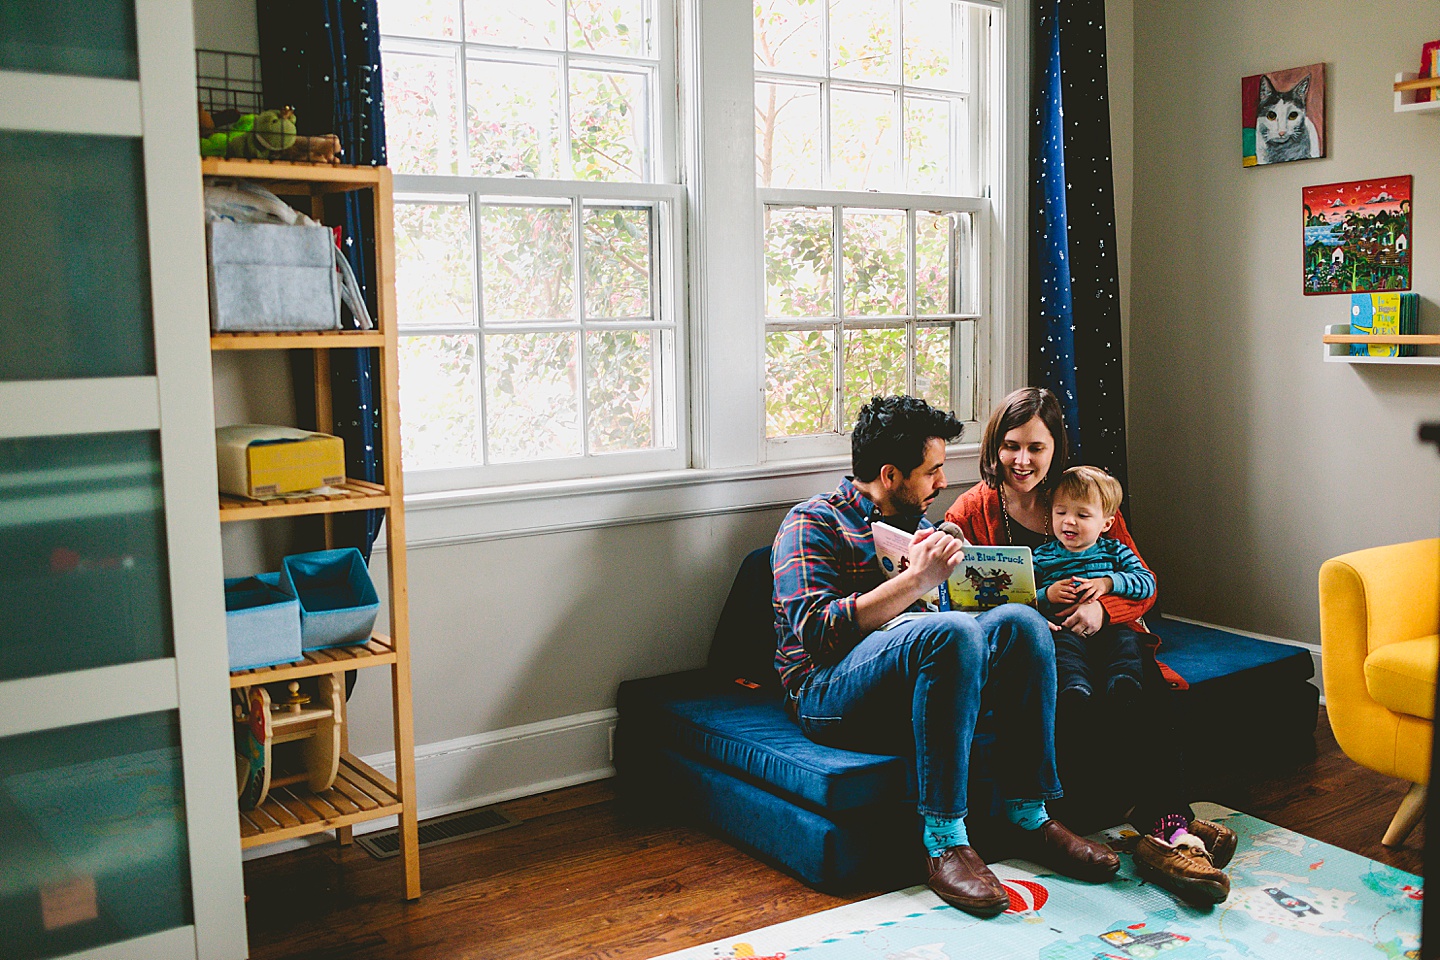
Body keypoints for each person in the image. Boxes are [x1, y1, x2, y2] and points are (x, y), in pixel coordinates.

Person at [772, 395, 1119, 918]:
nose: (941, 483)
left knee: (1020, 622)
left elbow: (964, 621)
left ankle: (1028, 814)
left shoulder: (921, 526)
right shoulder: (812, 523)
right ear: (891, 474)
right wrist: (917, 581)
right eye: (933, 471)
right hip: (826, 693)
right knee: (950, 633)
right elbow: (818, 634)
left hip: (914, 680)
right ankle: (944, 840)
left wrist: (963, 579)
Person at [945, 386, 1237, 905]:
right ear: (995, 447)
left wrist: (1102, 609)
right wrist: (1035, 612)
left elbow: (1137, 577)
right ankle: (1164, 828)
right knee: (1075, 691)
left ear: (1056, 446)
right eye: (1012, 445)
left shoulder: (1086, 495)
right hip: (1037, 651)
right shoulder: (975, 509)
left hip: (1109, 636)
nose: (1022, 459)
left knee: (1142, 683)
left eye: (1036, 447)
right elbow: (962, 597)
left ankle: (1167, 829)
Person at [1035, 465, 1155, 712]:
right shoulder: (1041, 557)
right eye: (1061, 512)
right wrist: (1046, 595)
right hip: (1065, 628)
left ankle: (1123, 683)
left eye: (1083, 515)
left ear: (1106, 523)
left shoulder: (1115, 551)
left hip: (1112, 627)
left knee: (1127, 643)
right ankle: (1075, 689)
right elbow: (1022, 598)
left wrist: (1108, 583)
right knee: (1061, 651)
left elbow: (1146, 582)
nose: (1069, 520)